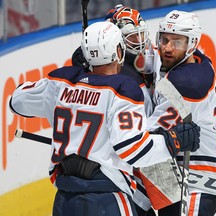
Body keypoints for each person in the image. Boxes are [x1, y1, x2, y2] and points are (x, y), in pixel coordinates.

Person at [9, 21, 201, 216]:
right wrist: (173, 141)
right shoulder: (122, 90)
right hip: (106, 200)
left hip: (64, 201)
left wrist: (76, 77)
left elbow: (16, 101)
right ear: (118, 52)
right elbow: (134, 149)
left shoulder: (60, 82)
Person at [72, 5, 160, 215]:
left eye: (140, 35)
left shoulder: (151, 57)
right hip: (129, 160)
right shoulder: (122, 79)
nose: (138, 43)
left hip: (142, 151)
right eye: (130, 38)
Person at [146, 10, 216, 216]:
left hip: (200, 170)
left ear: (191, 44)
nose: (167, 48)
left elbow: (149, 136)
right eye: (164, 39)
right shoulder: (193, 60)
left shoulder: (187, 85)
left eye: (176, 42)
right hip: (173, 168)